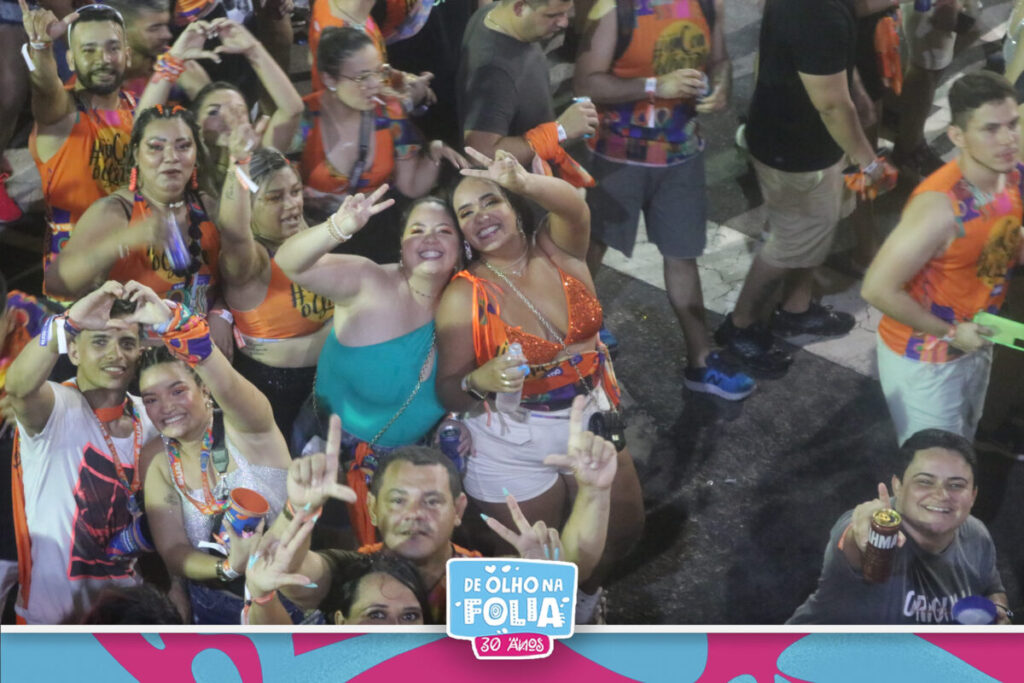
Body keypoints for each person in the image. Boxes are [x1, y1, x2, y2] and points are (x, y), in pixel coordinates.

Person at [436, 148, 644, 620]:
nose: (480, 217)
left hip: (592, 418)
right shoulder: (465, 293)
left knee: (621, 532)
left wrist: (524, 180)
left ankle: (583, 603)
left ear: (514, 206)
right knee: (529, 566)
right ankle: (535, 641)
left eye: (491, 201)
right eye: (465, 213)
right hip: (513, 441)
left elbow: (575, 207)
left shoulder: (559, 249)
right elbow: (447, 390)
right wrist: (477, 379)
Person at [272, 400, 616, 623]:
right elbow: (289, 574)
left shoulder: (484, 582)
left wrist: (595, 491)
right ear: (373, 509)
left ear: (458, 509)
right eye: (398, 500)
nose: (415, 513)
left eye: (432, 501)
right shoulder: (351, 572)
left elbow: (575, 566)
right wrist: (297, 509)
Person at [573, 0, 754, 400]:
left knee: (682, 255)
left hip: (681, 154)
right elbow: (584, 83)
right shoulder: (615, 8)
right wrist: (655, 86)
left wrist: (722, 86)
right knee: (593, 245)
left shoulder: (706, 4)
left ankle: (702, 361)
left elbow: (719, 60)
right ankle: (576, 332)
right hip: (617, 156)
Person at [274, 185, 466, 544]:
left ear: (461, 247)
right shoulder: (368, 281)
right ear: (401, 245)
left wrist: (456, 418)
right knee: (321, 545)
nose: (430, 239)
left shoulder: (469, 302)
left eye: (444, 231)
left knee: (400, 553)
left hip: (413, 462)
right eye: (417, 230)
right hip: (330, 450)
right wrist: (338, 227)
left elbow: (475, 372)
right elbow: (289, 262)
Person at [713, 0, 892, 376]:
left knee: (813, 231)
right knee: (789, 242)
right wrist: (869, 161)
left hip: (805, 139)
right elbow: (831, 105)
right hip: (796, 148)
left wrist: (856, 88)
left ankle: (796, 307)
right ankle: (741, 326)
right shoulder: (816, 13)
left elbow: (833, 52)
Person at [862, 71, 1024, 445]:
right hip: (926, 360)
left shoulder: (1009, 175)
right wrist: (951, 333)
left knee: (964, 441)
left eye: (1013, 124)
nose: (1008, 139)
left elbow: (999, 231)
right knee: (936, 462)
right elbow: (877, 289)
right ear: (957, 136)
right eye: (991, 129)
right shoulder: (938, 208)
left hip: (976, 339)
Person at [128, 280, 291, 624]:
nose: (165, 407)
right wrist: (228, 567)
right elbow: (173, 550)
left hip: (286, 600)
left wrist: (173, 322)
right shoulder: (157, 457)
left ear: (204, 389)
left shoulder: (248, 426)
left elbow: (226, 383)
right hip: (212, 606)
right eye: (151, 399)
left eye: (177, 391)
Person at [5, 281, 159, 624]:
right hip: (50, 621)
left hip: (124, 614)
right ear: (73, 352)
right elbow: (17, 386)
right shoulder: (57, 407)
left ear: (139, 352)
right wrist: (68, 323)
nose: (116, 354)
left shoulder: (150, 417)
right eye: (100, 341)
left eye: (127, 343)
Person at [44, 104, 234, 357]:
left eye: (183, 146)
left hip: (199, 356)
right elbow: (57, 284)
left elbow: (235, 279)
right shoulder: (114, 212)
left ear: (196, 153)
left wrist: (222, 312)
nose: (171, 156)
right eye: (156, 147)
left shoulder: (208, 207)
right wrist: (125, 239)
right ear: (136, 154)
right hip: (133, 361)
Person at [789, 429, 1010, 624]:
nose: (942, 494)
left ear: (973, 496)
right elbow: (852, 541)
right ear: (898, 486)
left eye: (956, 485)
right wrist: (866, 535)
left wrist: (999, 610)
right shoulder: (880, 532)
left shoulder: (976, 534)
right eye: (925, 481)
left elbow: (991, 587)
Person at [298, 25, 463, 241]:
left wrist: (433, 154)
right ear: (329, 79)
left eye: (379, 72)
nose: (375, 84)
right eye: (362, 77)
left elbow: (411, 186)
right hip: (318, 238)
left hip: (377, 234)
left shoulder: (390, 113)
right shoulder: (304, 118)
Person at [20, 1, 136, 297]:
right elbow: (46, 88)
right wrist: (41, 47)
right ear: (70, 60)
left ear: (127, 55)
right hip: (76, 288)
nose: (103, 59)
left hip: (135, 276)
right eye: (89, 50)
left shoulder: (139, 110)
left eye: (112, 48)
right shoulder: (62, 114)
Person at [219, 146, 334, 444]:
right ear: (249, 205)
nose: (292, 204)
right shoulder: (250, 263)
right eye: (275, 197)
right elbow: (233, 233)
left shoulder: (303, 232)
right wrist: (238, 166)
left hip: (327, 387)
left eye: (295, 191)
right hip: (273, 400)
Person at [456, 0, 599, 177]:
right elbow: (480, 155)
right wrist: (560, 130)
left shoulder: (495, 13)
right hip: (522, 187)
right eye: (552, 15)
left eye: (565, 13)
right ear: (519, 8)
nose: (564, 22)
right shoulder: (494, 73)